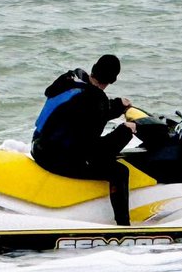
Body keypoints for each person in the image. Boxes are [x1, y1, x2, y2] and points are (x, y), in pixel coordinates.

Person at [31, 54, 138, 226]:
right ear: (113, 79)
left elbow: (80, 114)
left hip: (39, 145)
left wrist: (118, 106)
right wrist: (124, 132)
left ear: (94, 69)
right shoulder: (94, 101)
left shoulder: (72, 79)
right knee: (119, 172)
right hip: (55, 158)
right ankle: (123, 226)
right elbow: (97, 152)